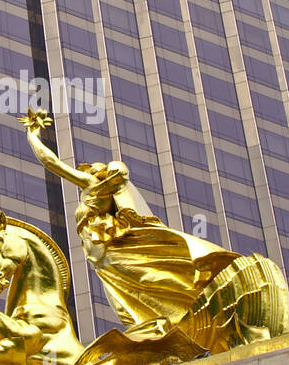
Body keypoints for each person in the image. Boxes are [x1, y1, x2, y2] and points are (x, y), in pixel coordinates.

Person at [19, 109, 238, 340]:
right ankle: (157, 319)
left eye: (94, 168)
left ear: (102, 175)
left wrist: (32, 135)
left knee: (138, 281)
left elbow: (52, 163)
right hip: (100, 251)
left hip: (105, 249)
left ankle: (181, 304)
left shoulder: (93, 184)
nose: (89, 168)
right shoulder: (104, 195)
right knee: (127, 289)